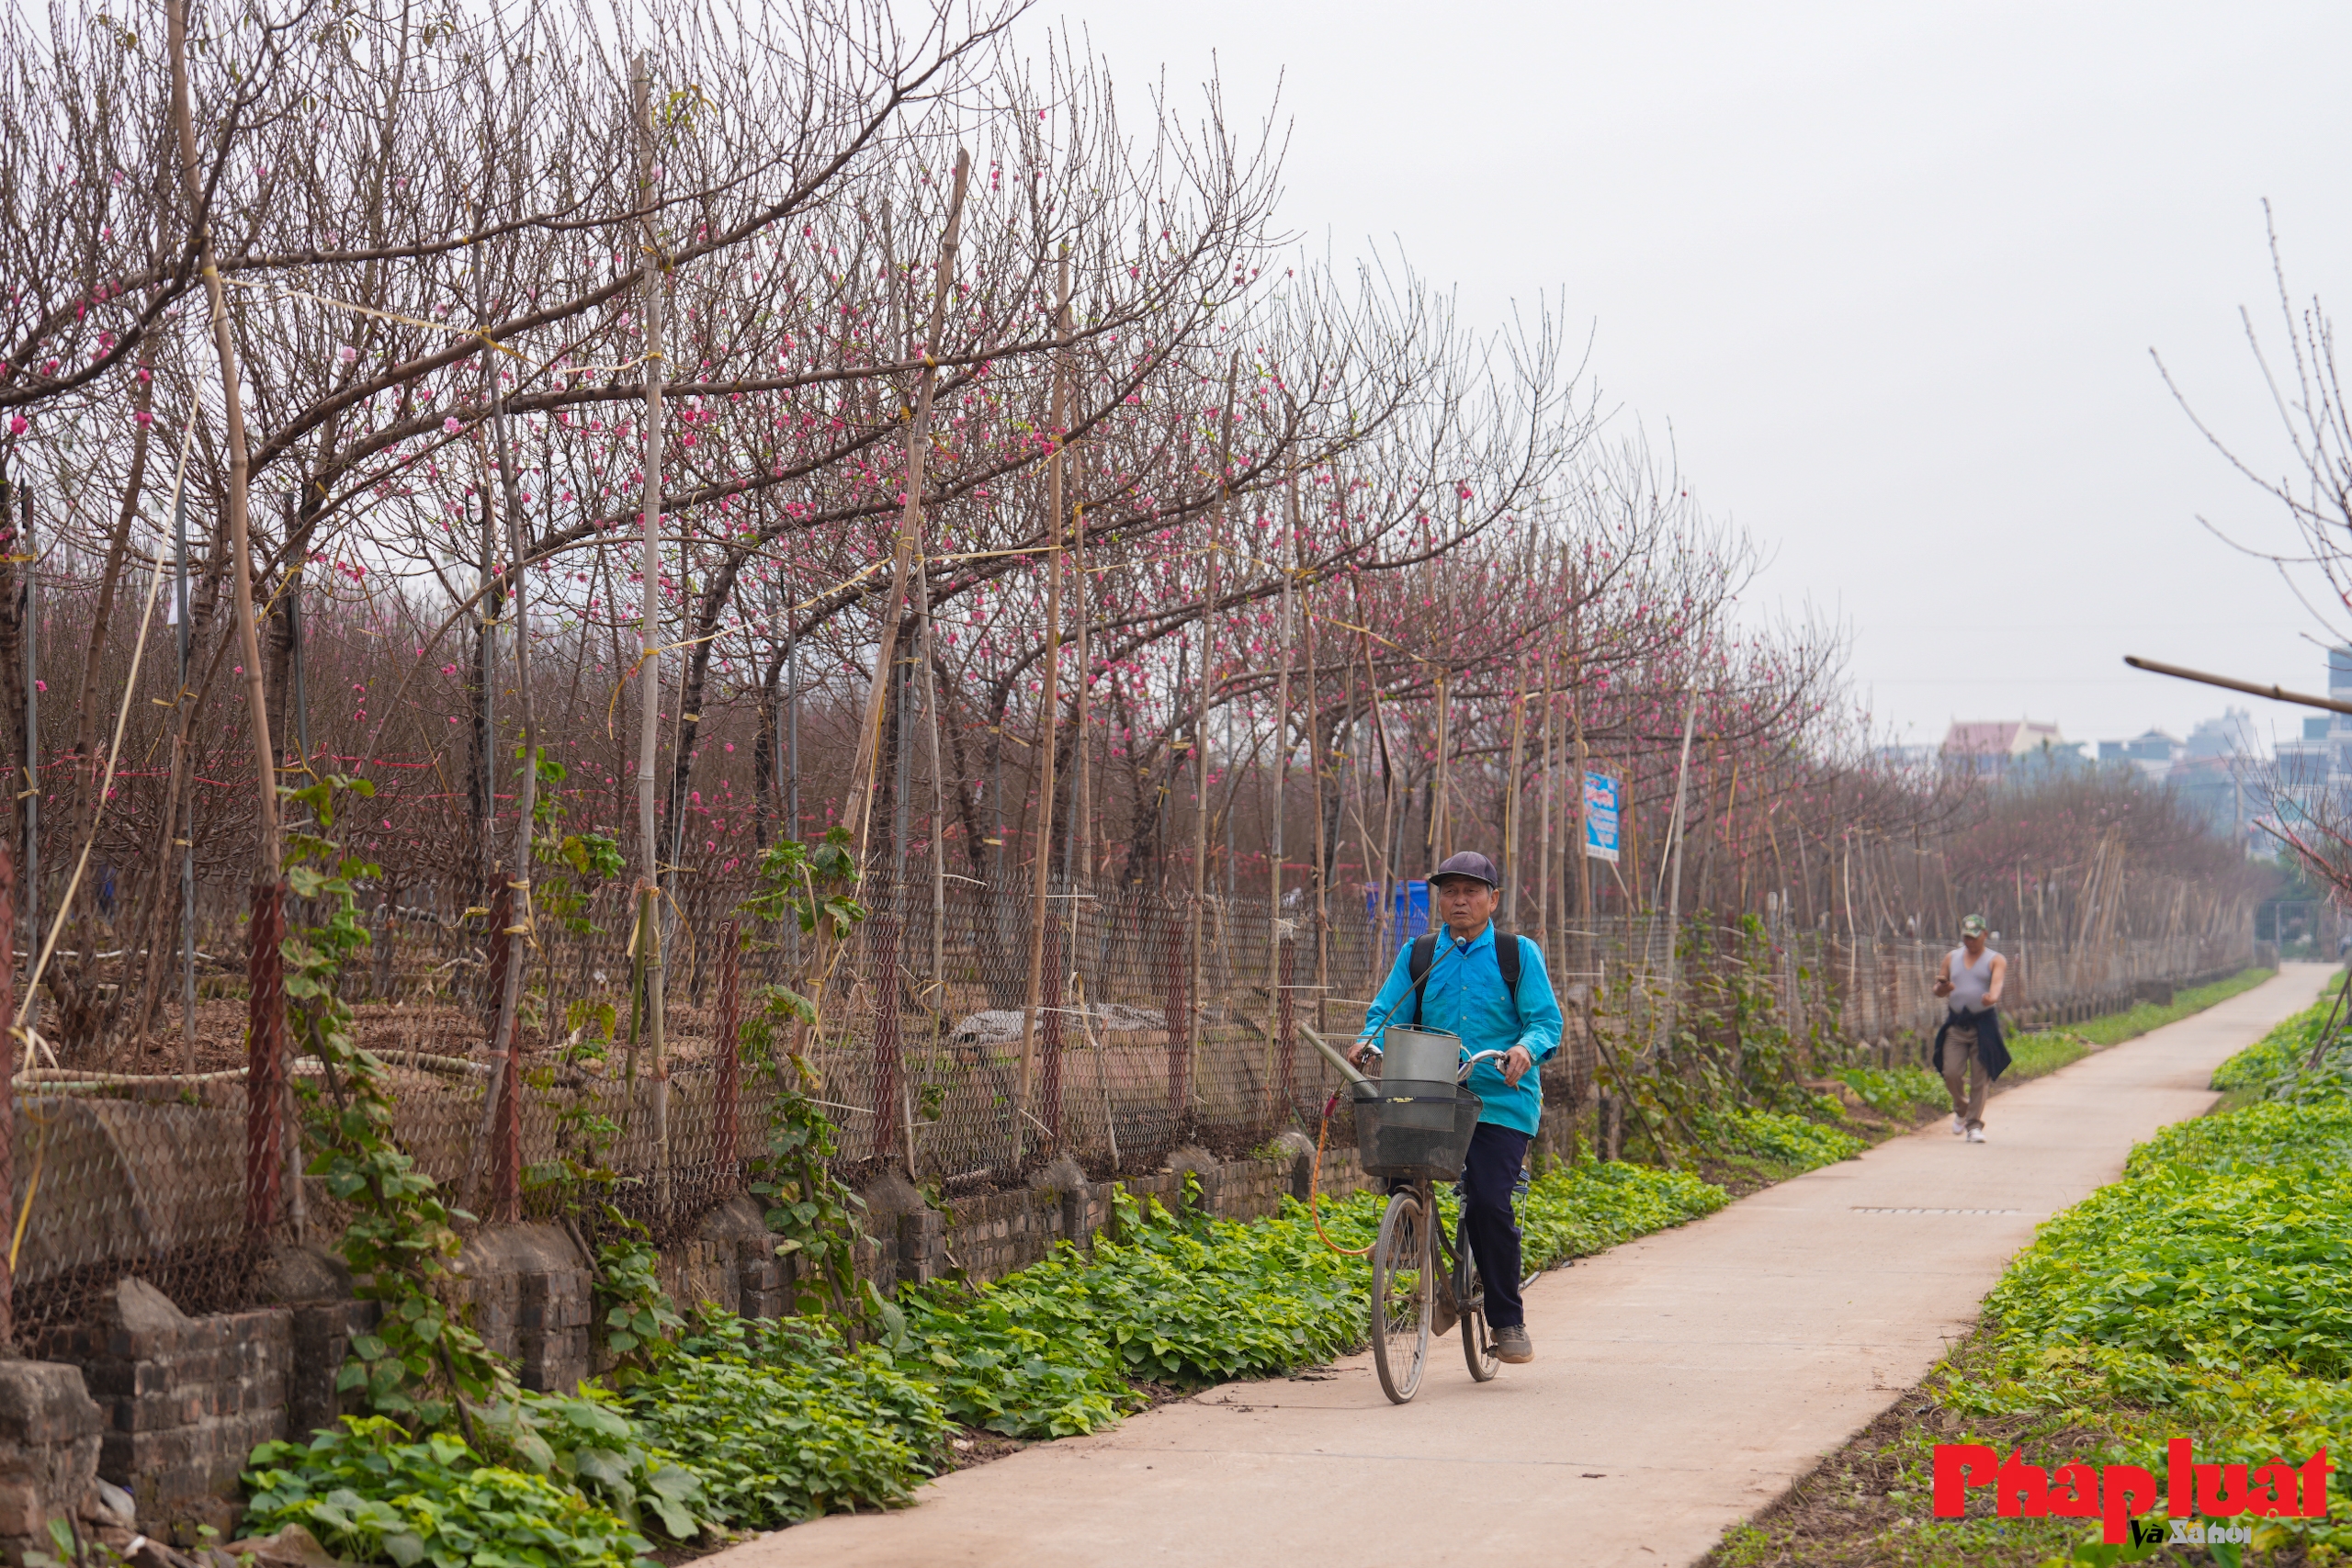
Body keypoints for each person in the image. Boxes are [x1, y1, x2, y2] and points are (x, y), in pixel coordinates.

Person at [1350, 850, 1564, 1364]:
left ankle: (1507, 1320)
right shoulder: (1420, 954)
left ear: (1493, 899)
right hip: (1430, 1092)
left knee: (1490, 1202)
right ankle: (1407, 1239)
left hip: (1498, 1100)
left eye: (1471, 891)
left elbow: (1545, 1022)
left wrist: (1524, 1049)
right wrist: (1367, 1038)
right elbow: (1388, 1009)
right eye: (1450, 892)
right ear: (1439, 901)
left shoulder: (1518, 954)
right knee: (1397, 1160)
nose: (1460, 900)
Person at [1932, 913, 2012, 1144]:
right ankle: (1962, 1107)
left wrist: (1991, 998)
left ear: (1985, 935)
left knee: (1980, 1076)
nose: (1970, 942)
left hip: (1983, 1025)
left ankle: (1974, 1125)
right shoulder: (1952, 957)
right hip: (1957, 1023)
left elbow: (1996, 984)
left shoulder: (1995, 959)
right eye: (1967, 937)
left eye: (1975, 937)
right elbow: (1938, 988)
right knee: (1951, 1072)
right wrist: (1943, 988)